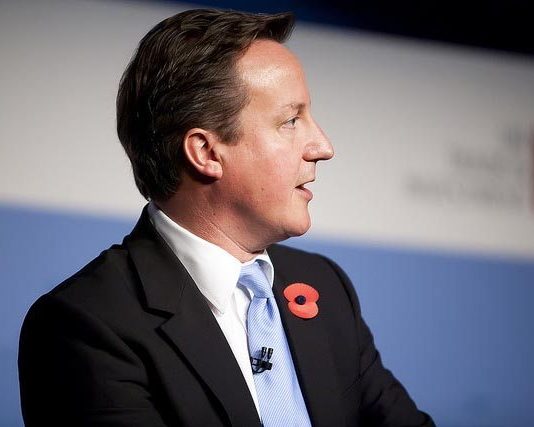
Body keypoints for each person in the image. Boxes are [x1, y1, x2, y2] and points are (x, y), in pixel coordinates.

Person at [18, 9, 435, 427]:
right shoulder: (88, 324)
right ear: (206, 152)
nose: (323, 146)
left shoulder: (325, 289)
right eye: (291, 121)